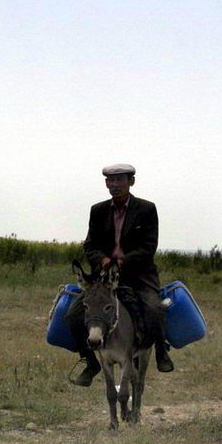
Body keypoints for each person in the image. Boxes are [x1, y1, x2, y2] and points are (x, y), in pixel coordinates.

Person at [65, 163, 174, 387]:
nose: (114, 185)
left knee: (154, 308)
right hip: (103, 277)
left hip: (138, 274)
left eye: (120, 180)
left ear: (131, 182)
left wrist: (124, 262)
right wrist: (102, 260)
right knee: (72, 315)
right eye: (110, 181)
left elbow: (149, 246)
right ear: (106, 183)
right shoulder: (97, 210)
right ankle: (90, 361)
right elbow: (90, 245)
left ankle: (161, 350)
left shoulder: (146, 209)